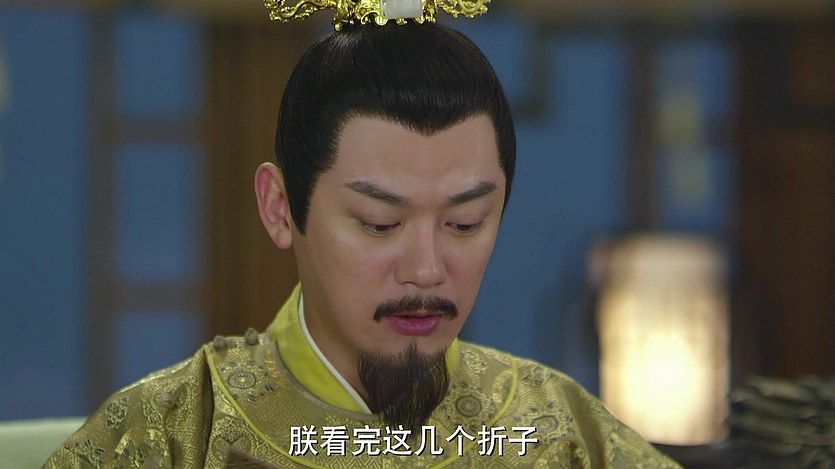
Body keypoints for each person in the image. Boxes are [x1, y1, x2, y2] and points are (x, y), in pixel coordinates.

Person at [46, 2, 682, 468]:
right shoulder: (168, 436)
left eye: (465, 223)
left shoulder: (559, 434)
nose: (426, 269)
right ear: (279, 207)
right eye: (380, 224)